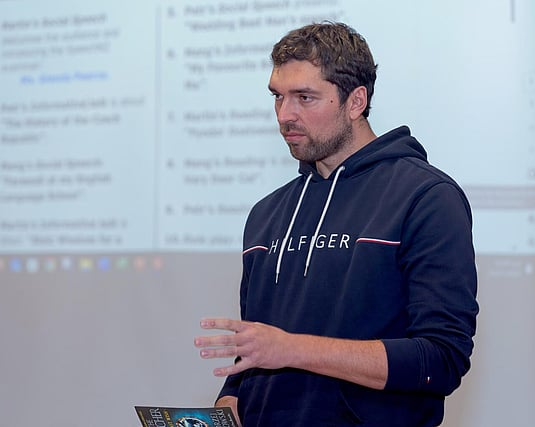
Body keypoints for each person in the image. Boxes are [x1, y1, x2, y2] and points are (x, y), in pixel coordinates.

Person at [194, 22, 478, 427]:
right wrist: (232, 397)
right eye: (277, 97)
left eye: (304, 97)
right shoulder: (266, 214)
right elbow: (260, 351)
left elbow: (440, 360)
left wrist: (294, 349)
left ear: (355, 101)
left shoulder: (426, 198)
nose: (285, 115)